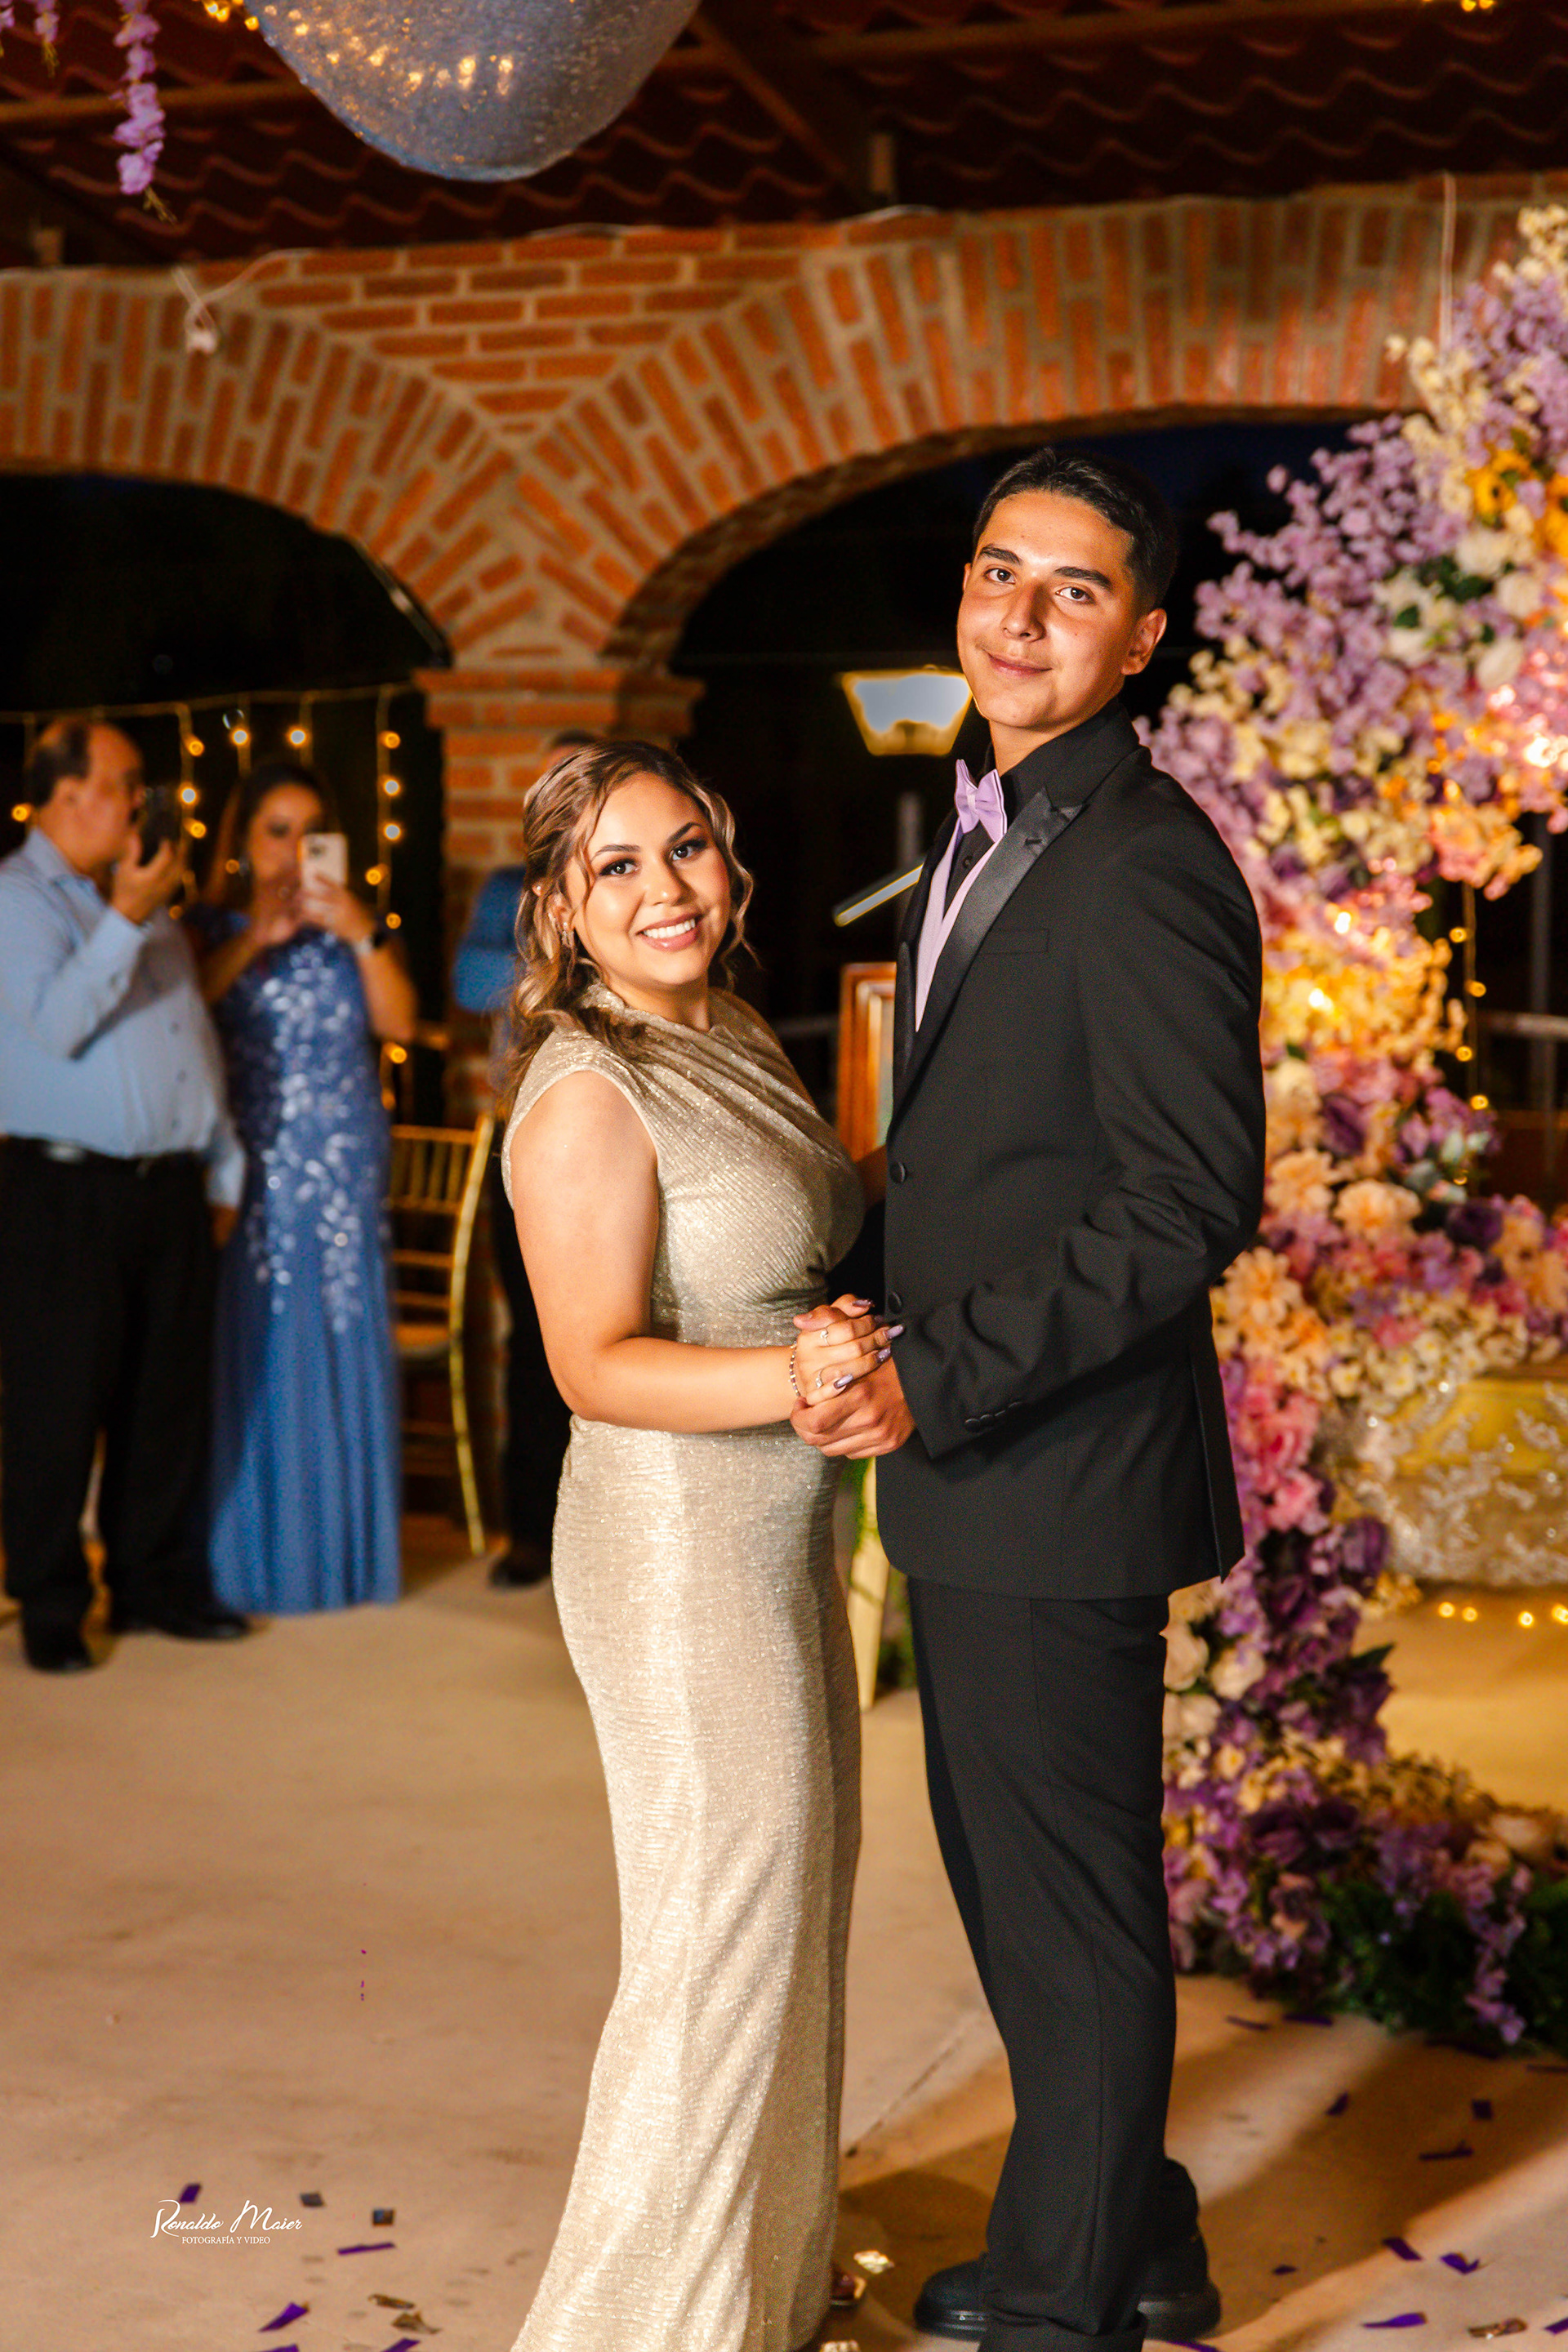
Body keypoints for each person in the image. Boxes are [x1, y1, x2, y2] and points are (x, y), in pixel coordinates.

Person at [792, 448, 1267, 2352]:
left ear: (1141, 639)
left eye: (1075, 589)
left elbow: (1184, 1200)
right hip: (982, 1464)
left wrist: (937, 1370)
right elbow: (978, 1154)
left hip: (1059, 1462)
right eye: (1001, 570)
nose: (1021, 614)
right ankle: (1136, 2233)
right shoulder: (988, 823)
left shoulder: (1146, 860)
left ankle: (1068, 2312)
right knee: (1011, 1887)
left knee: (1067, 1918)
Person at [500, 739, 885, 2352]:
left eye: (686, 849)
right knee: (719, 1948)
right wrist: (804, 1376)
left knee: (796, 1922)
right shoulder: (586, 1089)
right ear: (562, 911)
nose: (665, 889)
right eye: (617, 866)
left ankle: (760, 2294)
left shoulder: (727, 1028)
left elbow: (802, 1228)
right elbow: (593, 1365)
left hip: (782, 1534)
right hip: (675, 1555)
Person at [0, 719, 250, 1673]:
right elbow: (57, 1025)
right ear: (66, 794)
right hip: (63, 1191)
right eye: (124, 782)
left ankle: (151, 1584)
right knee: (58, 1404)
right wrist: (128, 916)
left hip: (171, 1190)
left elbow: (188, 1043)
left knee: (164, 1402)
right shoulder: (17, 899)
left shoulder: (142, 903)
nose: (140, 800)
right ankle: (51, 1603)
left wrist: (222, 1166)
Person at [189, 760, 416, 1613]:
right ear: (244, 842)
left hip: (345, 1162)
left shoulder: (352, 928)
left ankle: (342, 1557)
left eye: (310, 831)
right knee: (259, 1338)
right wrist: (256, 938)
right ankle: (254, 1555)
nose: (292, 849)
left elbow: (399, 1021)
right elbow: (187, 1012)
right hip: (253, 1163)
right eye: (275, 831)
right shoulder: (211, 927)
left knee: (343, 1329)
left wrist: (360, 932)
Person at [452, 738, 595, 1588]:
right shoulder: (510, 891)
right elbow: (471, 986)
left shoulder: (643, 884)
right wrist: (551, 932)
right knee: (534, 1341)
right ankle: (531, 1532)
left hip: (627, 1144)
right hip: (530, 1143)